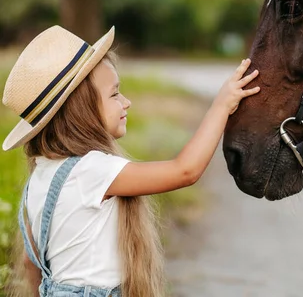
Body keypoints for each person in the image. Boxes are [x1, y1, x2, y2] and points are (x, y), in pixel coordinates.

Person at [2, 25, 260, 296]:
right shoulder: (90, 171)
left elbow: (30, 263)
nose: (126, 102)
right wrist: (221, 105)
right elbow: (186, 171)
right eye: (114, 94)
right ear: (81, 111)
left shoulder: (40, 177)